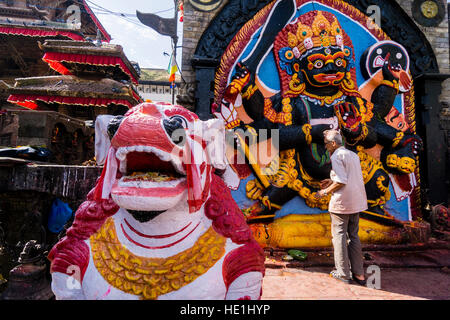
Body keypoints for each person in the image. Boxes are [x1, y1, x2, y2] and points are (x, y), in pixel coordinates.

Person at [315, 130, 367, 285]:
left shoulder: (336, 156)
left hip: (342, 203)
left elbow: (342, 181)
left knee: (339, 236)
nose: (325, 147)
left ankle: (343, 273)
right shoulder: (352, 155)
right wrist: (330, 180)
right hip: (356, 202)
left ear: (333, 143)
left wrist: (324, 192)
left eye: (326, 144)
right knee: (354, 236)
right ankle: (359, 274)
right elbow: (346, 177)